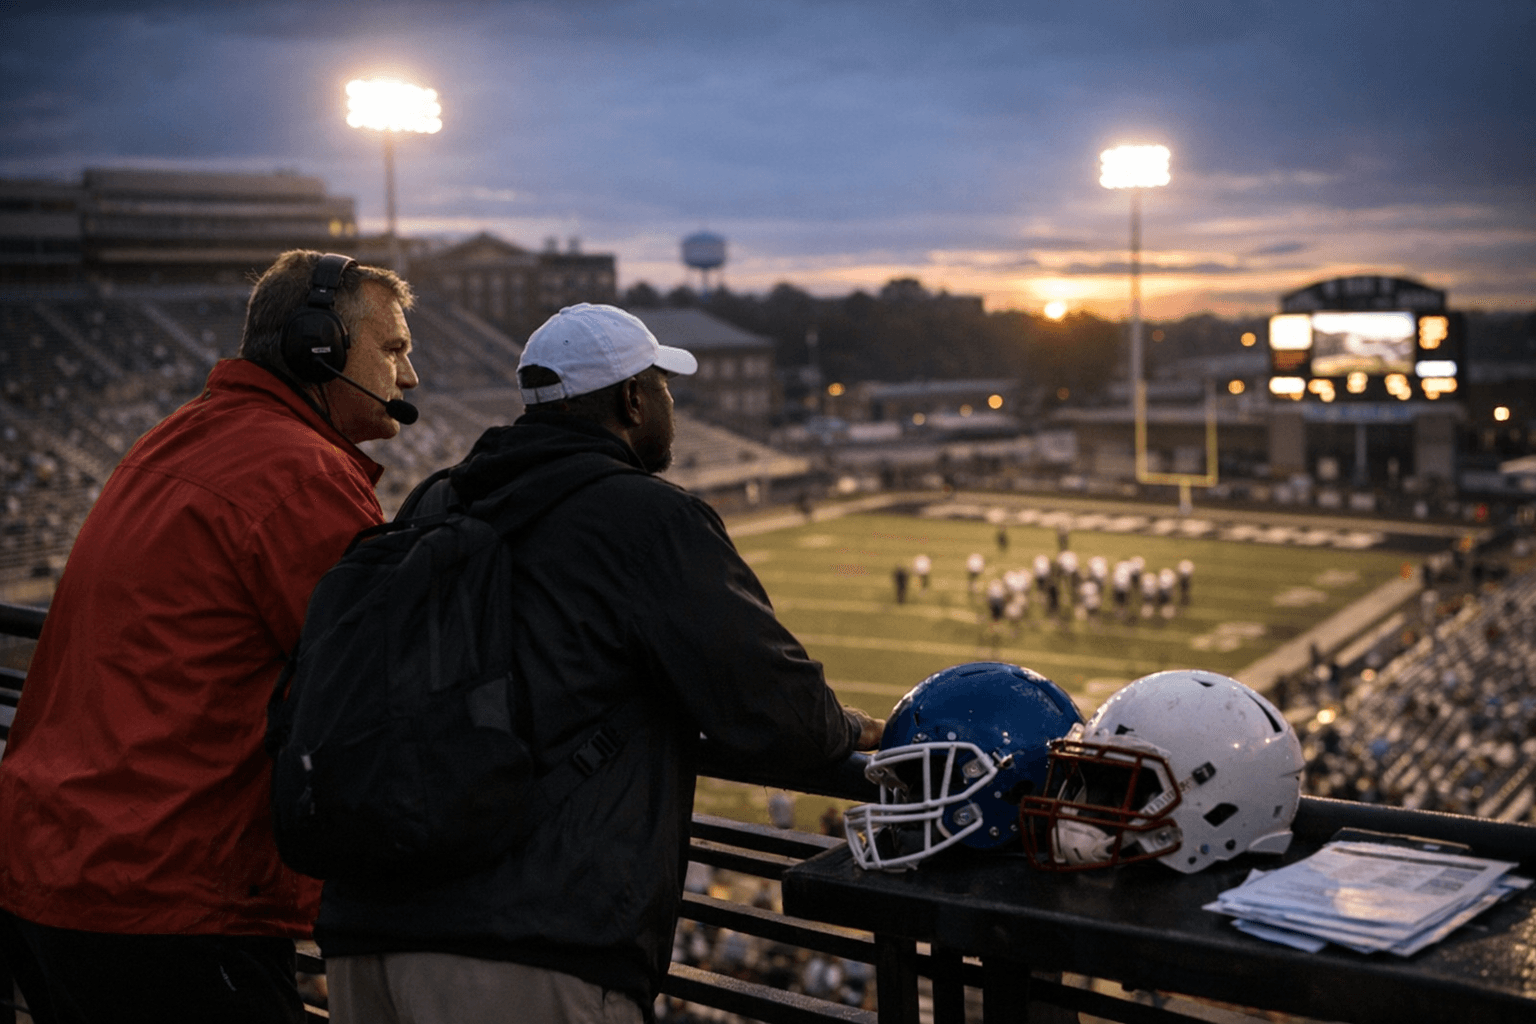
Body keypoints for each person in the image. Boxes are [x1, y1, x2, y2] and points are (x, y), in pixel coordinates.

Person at [315, 303, 883, 1024]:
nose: (671, 405)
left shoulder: (437, 499)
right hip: (527, 945)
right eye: (663, 388)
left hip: (367, 935)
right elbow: (781, 714)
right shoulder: (647, 517)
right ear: (632, 399)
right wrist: (856, 729)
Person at [0, 250, 418, 1023]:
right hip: (161, 892)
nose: (411, 376)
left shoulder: (181, 436)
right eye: (393, 350)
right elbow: (394, 680)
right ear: (317, 347)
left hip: (59, 862)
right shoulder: (299, 474)